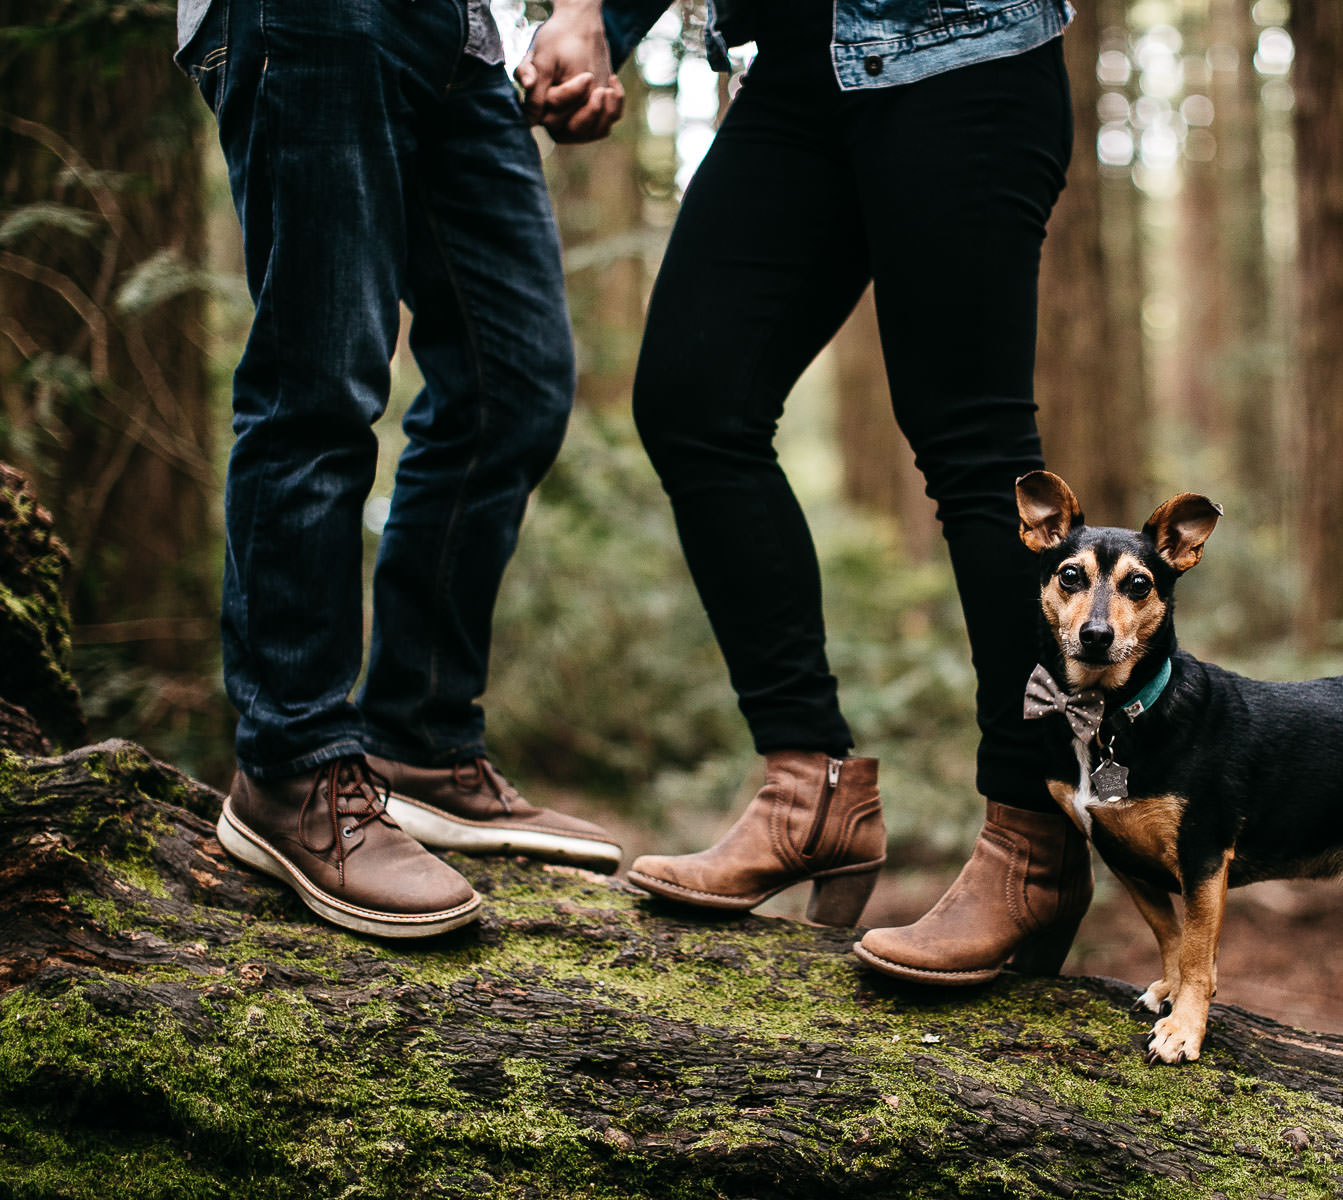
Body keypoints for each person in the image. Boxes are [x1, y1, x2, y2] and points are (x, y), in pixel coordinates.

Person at [622, 0, 1095, 984]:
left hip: (961, 46)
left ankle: (1032, 840)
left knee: (974, 448)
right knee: (692, 400)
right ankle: (809, 788)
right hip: (794, 64)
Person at [174, 0, 628, 938]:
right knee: (320, 376)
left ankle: (419, 742)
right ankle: (289, 764)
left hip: (471, 37)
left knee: (516, 387)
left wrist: (587, 16)